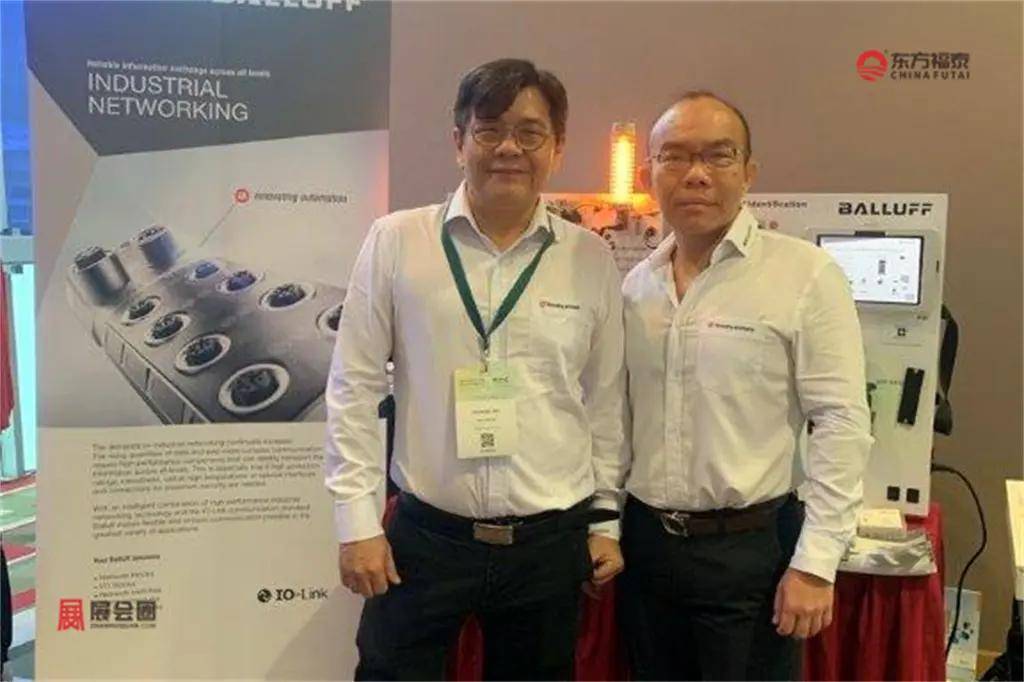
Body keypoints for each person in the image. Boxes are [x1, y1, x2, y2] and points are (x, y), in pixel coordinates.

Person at [324, 58, 628, 681]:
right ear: (459, 141)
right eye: (489, 129)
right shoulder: (396, 241)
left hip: (549, 545)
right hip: (426, 540)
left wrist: (605, 519)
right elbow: (354, 387)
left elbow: (604, 403)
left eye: (530, 132)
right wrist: (356, 522)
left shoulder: (591, 257)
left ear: (557, 147)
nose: (509, 148)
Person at [618, 91, 873, 680]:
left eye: (719, 155)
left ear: (749, 172)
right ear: (648, 174)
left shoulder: (804, 275)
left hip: (750, 552)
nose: (696, 174)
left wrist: (815, 563)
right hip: (648, 548)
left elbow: (841, 421)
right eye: (675, 156)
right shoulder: (637, 286)